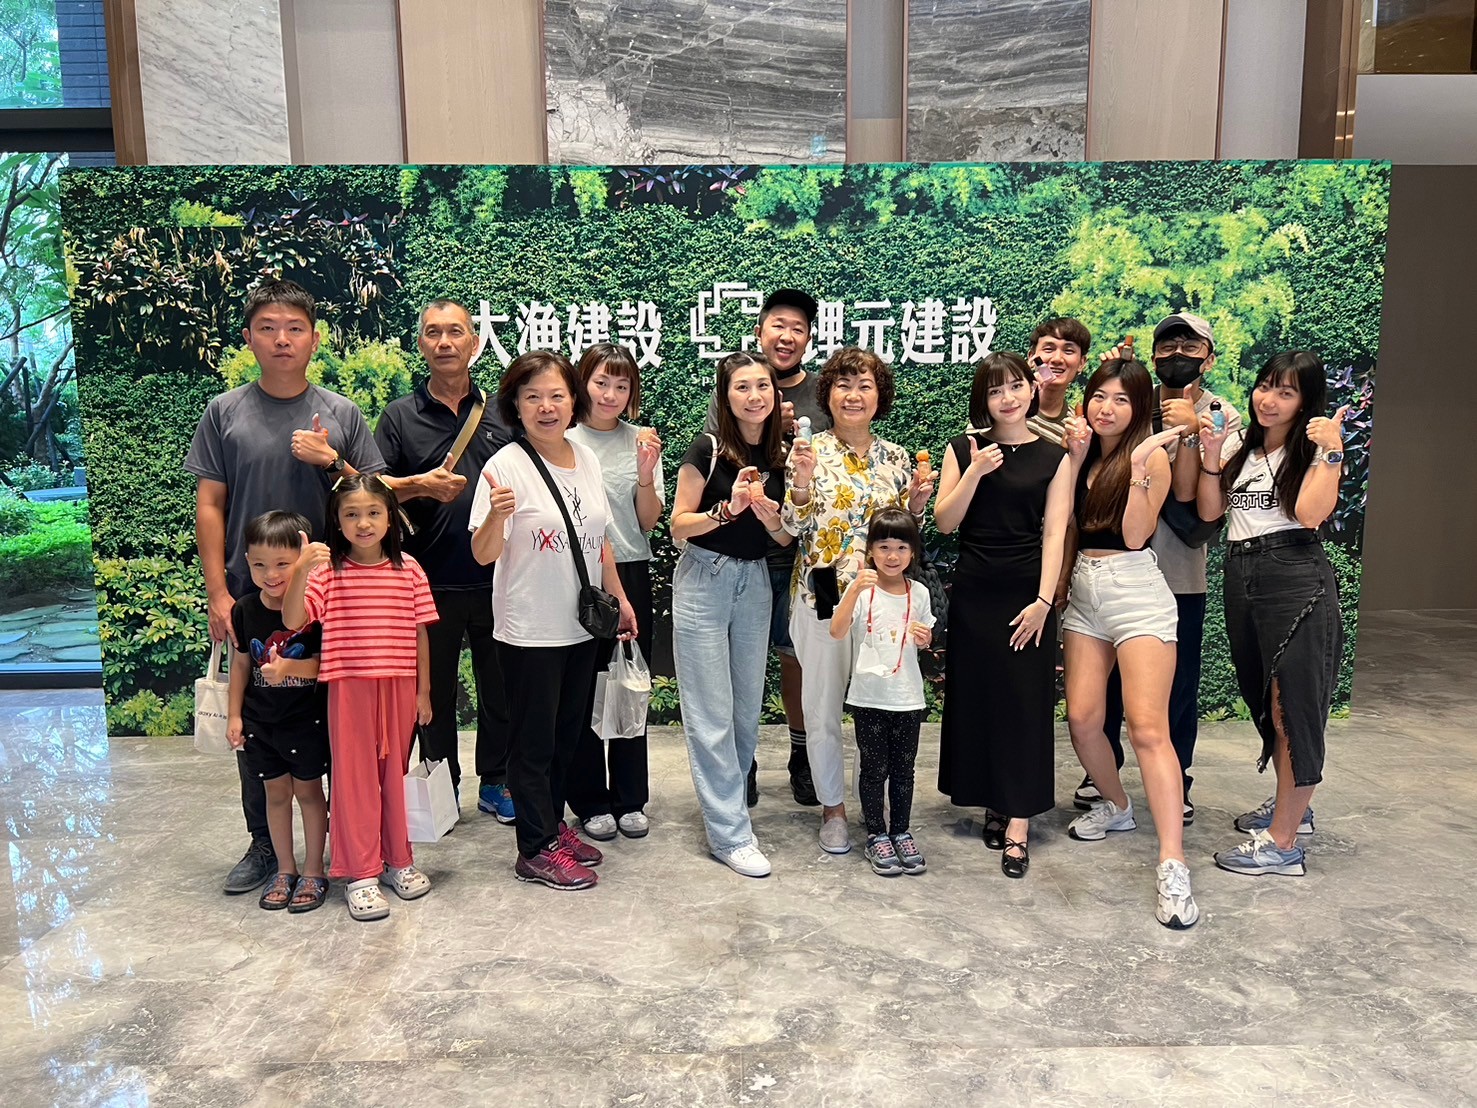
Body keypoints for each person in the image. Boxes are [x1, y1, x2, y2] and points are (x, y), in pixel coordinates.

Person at [185, 278, 385, 896]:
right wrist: (219, 593)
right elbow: (210, 504)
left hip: (334, 597)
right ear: (248, 338)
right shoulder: (224, 412)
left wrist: (332, 462)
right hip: (253, 595)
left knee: (337, 722)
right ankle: (265, 846)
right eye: (268, 328)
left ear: (314, 340)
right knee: (260, 722)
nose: (281, 339)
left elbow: (374, 496)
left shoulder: (341, 413)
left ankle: (349, 845)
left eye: (294, 328)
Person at [468, 351, 638, 891]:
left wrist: (620, 597)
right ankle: (534, 848)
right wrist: (496, 516)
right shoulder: (504, 466)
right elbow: (483, 555)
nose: (546, 407)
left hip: (580, 626)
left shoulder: (584, 457)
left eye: (557, 396)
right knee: (533, 743)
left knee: (568, 736)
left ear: (573, 401)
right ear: (515, 405)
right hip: (529, 629)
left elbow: (599, 538)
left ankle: (552, 827)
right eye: (533, 397)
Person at [1085, 313, 1243, 825]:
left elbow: (1200, 502)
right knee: (1105, 687)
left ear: (1209, 358)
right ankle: (1103, 775)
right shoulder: (1134, 401)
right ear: (1152, 357)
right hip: (1114, 568)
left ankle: (1180, 779)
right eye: (1168, 346)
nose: (1178, 355)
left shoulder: (1222, 414)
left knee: (1177, 689)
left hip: (1177, 572)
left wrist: (1192, 431)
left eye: (1190, 346)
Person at [1058, 357, 1200, 929]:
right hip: (1083, 593)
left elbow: (1138, 533)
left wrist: (1140, 467)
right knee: (1083, 720)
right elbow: (1065, 528)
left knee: (1147, 729)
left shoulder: (1153, 457)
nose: (1107, 408)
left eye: (1121, 399)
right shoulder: (1081, 452)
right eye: (1099, 396)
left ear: (1140, 407)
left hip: (1137, 590)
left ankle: (1173, 864)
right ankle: (1117, 805)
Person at [1196, 351, 1347, 876]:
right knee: (1269, 703)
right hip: (1242, 574)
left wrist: (1332, 451)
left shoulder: (1315, 449)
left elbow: (1309, 514)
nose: (1269, 399)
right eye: (1265, 386)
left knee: (1292, 709)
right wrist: (1211, 454)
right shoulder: (1243, 447)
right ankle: (1292, 811)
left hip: (1295, 577)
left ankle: (1283, 845)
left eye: (1286, 392)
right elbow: (1211, 512)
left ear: (1305, 401)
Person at [784, 347, 934, 856]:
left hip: (881, 602)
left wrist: (917, 506)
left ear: (879, 395)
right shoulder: (808, 450)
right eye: (843, 384)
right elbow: (791, 527)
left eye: (865, 385)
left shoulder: (896, 457)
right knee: (822, 706)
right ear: (827, 394)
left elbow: (902, 536)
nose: (853, 395)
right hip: (823, 590)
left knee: (876, 706)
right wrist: (800, 482)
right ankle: (833, 808)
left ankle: (876, 809)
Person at [376, 299, 515, 823]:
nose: (444, 342)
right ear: (421, 344)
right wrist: (419, 485)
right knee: (430, 696)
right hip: (426, 584)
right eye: (433, 333)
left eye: (455, 332)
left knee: (501, 692)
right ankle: (441, 789)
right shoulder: (400, 415)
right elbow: (371, 488)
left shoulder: (503, 412)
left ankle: (496, 782)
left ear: (474, 343)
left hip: (498, 578)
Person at [935, 353, 1073, 880]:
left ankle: (1018, 823)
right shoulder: (964, 447)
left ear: (1032, 390)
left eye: (1016, 386)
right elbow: (945, 522)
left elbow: (1055, 532)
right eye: (996, 391)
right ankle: (993, 798)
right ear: (984, 399)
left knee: (1023, 706)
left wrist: (1044, 602)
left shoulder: (1054, 456)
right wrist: (974, 472)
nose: (1008, 398)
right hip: (975, 592)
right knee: (981, 701)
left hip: (1027, 594)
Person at [283, 474, 438, 921]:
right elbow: (293, 619)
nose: (363, 523)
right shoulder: (326, 573)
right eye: (351, 514)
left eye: (373, 512)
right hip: (349, 687)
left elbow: (420, 635)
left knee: (394, 777)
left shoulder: (410, 569)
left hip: (399, 686)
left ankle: (397, 859)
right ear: (337, 521)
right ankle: (361, 873)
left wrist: (423, 691)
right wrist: (300, 570)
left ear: (391, 518)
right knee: (354, 782)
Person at [705, 288, 828, 808]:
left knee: (804, 658)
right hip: (750, 552)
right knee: (744, 663)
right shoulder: (735, 390)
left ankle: (804, 757)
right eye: (778, 324)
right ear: (760, 331)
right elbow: (717, 464)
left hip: (814, 556)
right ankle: (745, 761)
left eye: (798, 328)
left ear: (809, 338)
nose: (787, 336)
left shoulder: (823, 392)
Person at [672, 351, 791, 877]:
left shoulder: (782, 452)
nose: (754, 396)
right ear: (725, 395)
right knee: (711, 713)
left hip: (755, 581)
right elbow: (678, 525)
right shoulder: (708, 448)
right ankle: (730, 835)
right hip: (705, 577)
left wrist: (771, 516)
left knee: (744, 712)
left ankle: (732, 809)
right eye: (742, 387)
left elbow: (784, 538)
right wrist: (727, 510)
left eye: (762, 385)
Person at [566, 342, 666, 841]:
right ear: (582, 383)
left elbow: (647, 522)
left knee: (630, 683)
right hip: (574, 573)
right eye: (601, 382)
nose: (610, 394)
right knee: (581, 688)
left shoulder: (641, 441)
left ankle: (630, 798)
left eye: (621, 386)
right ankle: (589, 799)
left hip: (629, 570)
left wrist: (646, 476)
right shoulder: (562, 439)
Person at [225, 511, 330, 913]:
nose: (271, 575)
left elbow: (324, 666)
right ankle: (285, 869)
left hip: (305, 720)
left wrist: (289, 669)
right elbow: (240, 665)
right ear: (246, 562)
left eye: (283, 564)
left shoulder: (314, 612)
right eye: (259, 565)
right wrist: (235, 715)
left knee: (309, 793)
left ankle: (314, 869)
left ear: (302, 560)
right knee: (275, 795)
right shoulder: (244, 609)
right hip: (260, 722)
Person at [828, 509, 936, 876]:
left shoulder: (918, 592)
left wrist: (925, 638)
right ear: (870, 550)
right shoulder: (862, 592)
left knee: (904, 771)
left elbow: (924, 638)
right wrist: (855, 589)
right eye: (884, 546)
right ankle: (876, 834)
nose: (892, 556)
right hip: (869, 699)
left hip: (908, 698)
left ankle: (900, 831)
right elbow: (836, 631)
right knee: (873, 770)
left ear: (913, 552)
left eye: (901, 547)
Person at [1025, 317, 1092, 448]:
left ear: (1081, 363)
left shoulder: (1075, 427)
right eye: (1049, 349)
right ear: (1031, 357)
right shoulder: (1009, 405)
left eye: (1068, 351)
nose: (1057, 359)